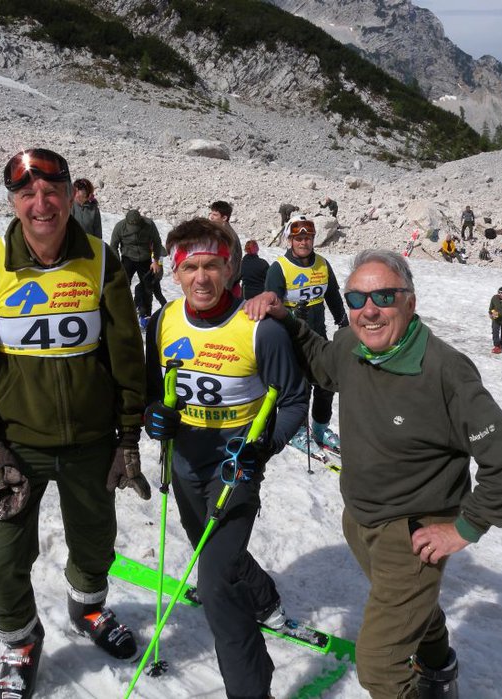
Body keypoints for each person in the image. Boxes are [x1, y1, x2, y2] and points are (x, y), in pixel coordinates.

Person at [245, 249, 502, 699]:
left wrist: (464, 528)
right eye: (357, 298)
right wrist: (285, 319)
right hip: (361, 519)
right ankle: (440, 670)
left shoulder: (444, 371)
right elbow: (322, 362)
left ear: (410, 303)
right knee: (414, 610)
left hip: (412, 533)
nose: (369, 310)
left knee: (380, 666)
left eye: (384, 295)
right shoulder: (350, 345)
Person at [0, 148, 152, 699]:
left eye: (52, 190)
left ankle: (87, 610)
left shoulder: (102, 260)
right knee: (0, 564)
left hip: (91, 444)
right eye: (27, 194)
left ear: (68, 194)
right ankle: (21, 641)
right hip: (14, 449)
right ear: (13, 203)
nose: (42, 204)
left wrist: (128, 437)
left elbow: (127, 357)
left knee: (95, 546)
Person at [142, 218, 309, 699]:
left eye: (212, 265)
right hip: (184, 465)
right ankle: (264, 596)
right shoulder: (164, 320)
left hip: (234, 472)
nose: (201, 277)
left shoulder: (259, 330)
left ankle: (252, 689)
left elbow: (295, 400)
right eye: (190, 266)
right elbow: (155, 393)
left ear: (230, 266)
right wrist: (157, 417)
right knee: (214, 554)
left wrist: (263, 446)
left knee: (214, 587)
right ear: (174, 272)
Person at [264, 214, 348, 455]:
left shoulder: (322, 264)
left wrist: (342, 321)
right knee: (300, 386)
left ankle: (320, 429)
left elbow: (332, 294)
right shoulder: (279, 268)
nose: (304, 243)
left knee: (326, 382)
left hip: (318, 332)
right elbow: (270, 304)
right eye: (298, 238)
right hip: (290, 335)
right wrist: (290, 313)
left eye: (308, 238)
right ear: (290, 240)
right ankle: (297, 431)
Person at [110, 209, 166, 329]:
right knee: (122, 285)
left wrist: (156, 260)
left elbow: (157, 242)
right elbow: (113, 245)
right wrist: (116, 263)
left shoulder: (149, 225)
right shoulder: (120, 227)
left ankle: (146, 316)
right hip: (127, 258)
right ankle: (121, 313)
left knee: (147, 287)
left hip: (145, 259)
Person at [208, 200, 244, 295]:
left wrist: (224, 290)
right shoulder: (221, 232)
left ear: (224, 218)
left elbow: (231, 263)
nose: (211, 217)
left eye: (215, 215)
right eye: (211, 213)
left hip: (226, 288)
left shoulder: (227, 236)